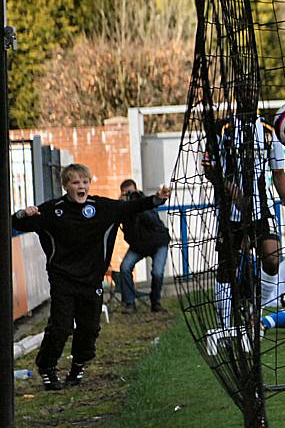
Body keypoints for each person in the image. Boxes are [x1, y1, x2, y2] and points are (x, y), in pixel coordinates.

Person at [12, 164, 171, 391]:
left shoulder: (101, 207)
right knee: (61, 326)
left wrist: (156, 199)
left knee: (89, 328)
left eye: (85, 182)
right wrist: (23, 214)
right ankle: (47, 368)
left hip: (91, 280)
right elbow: (16, 222)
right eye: (76, 182)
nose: (81, 186)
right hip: (62, 279)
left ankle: (77, 367)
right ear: (66, 186)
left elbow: (132, 207)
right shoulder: (52, 211)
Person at [202, 114, 285, 328]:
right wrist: (232, 191)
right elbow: (209, 167)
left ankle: (257, 309)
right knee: (227, 268)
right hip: (230, 211)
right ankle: (224, 325)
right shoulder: (222, 128)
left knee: (272, 258)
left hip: (261, 209)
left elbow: (278, 172)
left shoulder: (268, 129)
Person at [118, 179, 171, 314]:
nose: (130, 196)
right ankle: (130, 303)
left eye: (131, 192)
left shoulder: (146, 201)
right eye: (126, 193)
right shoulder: (124, 208)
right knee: (125, 267)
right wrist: (121, 205)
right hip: (138, 245)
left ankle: (156, 302)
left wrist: (138, 206)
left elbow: (153, 221)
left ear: (137, 190)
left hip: (158, 242)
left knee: (157, 272)